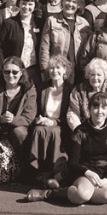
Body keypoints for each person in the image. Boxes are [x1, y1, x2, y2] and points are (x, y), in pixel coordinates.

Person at [25, 91, 107, 205]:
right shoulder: (81, 131)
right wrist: (88, 173)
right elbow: (73, 162)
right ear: (89, 109)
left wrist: (106, 179)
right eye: (95, 107)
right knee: (82, 195)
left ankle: (72, 192)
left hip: (106, 176)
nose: (100, 111)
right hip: (86, 174)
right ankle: (49, 193)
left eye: (104, 107)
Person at [0, 56, 37, 185]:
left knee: (20, 132)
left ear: (22, 72)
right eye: (7, 72)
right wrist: (0, 118)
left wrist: (13, 120)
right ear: (2, 72)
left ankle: (25, 168)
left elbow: (29, 117)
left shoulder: (29, 90)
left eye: (15, 72)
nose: (11, 75)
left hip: (17, 127)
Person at [28, 55, 72, 189]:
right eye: (51, 68)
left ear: (64, 70)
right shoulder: (42, 88)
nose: (54, 71)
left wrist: (54, 122)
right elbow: (34, 110)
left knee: (54, 131)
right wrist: (39, 119)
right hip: (44, 123)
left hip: (61, 125)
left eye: (58, 68)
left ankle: (56, 172)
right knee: (38, 130)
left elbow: (71, 114)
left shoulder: (70, 90)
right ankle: (39, 172)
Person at [39, 0, 92, 83]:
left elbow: (88, 51)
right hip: (57, 71)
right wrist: (45, 71)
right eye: (68, 0)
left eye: (74, 2)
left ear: (79, 5)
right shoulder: (51, 21)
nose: (70, 4)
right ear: (62, 1)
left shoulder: (84, 24)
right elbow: (44, 48)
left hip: (78, 72)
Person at [0, 0, 43, 83]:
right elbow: (0, 48)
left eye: (30, 4)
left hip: (33, 70)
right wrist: (2, 69)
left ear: (35, 6)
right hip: (13, 71)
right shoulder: (8, 23)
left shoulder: (39, 23)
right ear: (19, 4)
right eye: (24, 3)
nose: (26, 7)